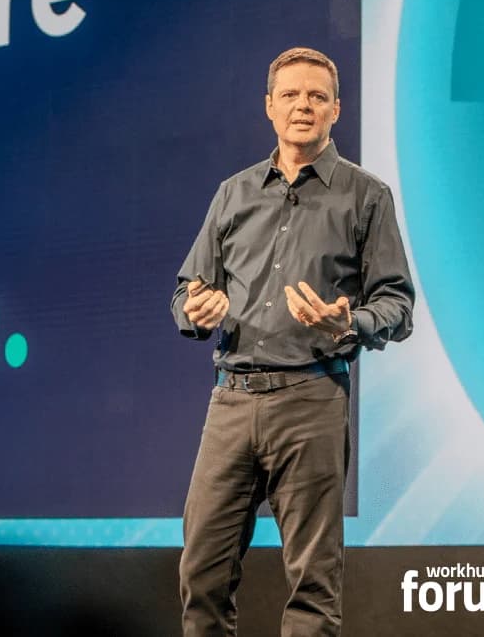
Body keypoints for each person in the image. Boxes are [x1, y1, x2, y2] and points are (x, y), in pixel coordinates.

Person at [171, 47, 415, 636]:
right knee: (200, 574)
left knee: (312, 586)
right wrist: (196, 310)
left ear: (336, 109)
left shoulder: (366, 196)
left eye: (315, 96)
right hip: (230, 404)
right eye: (290, 95)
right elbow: (187, 292)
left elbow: (397, 305)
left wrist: (347, 322)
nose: (302, 105)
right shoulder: (233, 194)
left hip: (311, 401)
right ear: (269, 108)